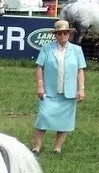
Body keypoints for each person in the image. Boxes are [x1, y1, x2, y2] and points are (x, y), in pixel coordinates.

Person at [31, 20, 86, 155]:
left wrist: (81, 89)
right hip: (50, 91)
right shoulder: (47, 48)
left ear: (69, 34)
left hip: (68, 92)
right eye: (59, 33)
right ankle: (37, 147)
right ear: (55, 35)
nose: (62, 35)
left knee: (65, 121)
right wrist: (40, 86)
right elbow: (40, 68)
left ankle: (57, 148)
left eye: (65, 33)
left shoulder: (77, 50)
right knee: (43, 117)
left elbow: (80, 70)